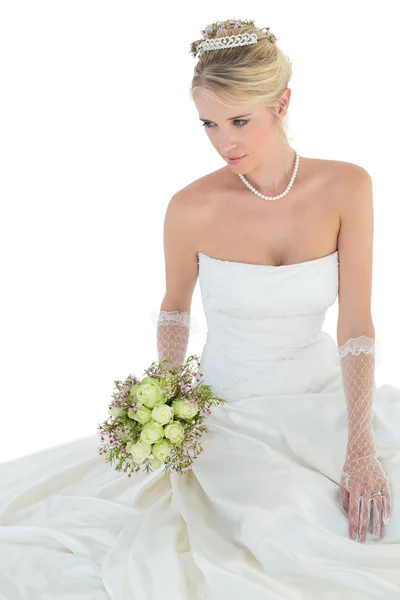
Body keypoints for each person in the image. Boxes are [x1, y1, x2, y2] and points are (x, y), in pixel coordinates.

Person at [0, 17, 399, 600]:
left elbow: (357, 323)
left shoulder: (348, 187)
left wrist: (359, 445)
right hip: (228, 411)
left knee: (376, 509)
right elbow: (174, 310)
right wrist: (166, 396)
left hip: (322, 401)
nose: (223, 142)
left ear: (283, 102)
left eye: (239, 121)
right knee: (284, 523)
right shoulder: (191, 207)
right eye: (209, 124)